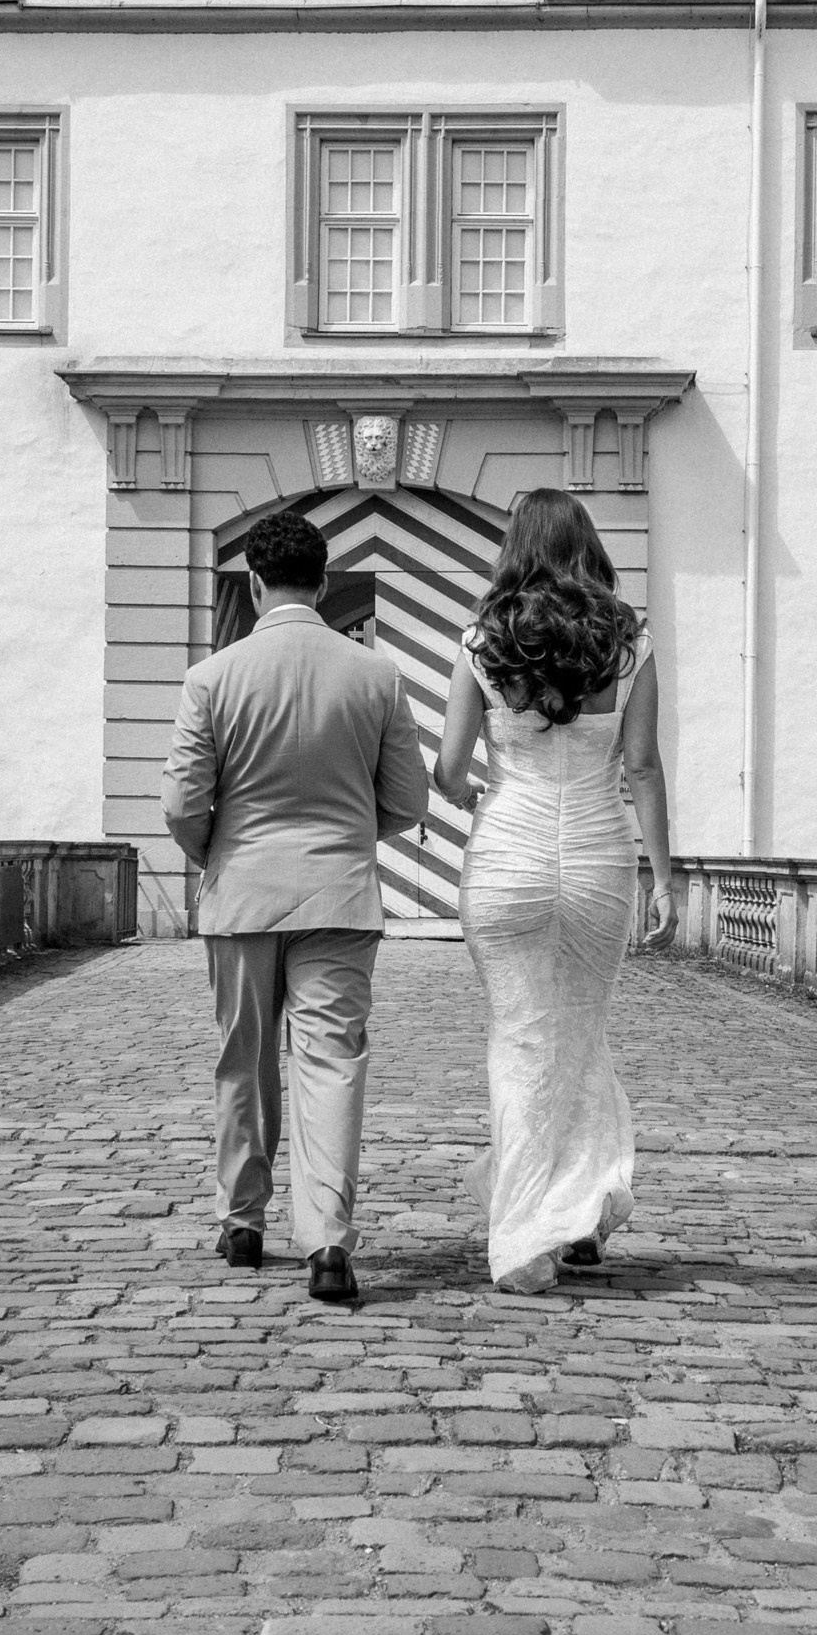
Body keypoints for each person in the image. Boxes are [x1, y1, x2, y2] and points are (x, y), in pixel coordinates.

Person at [161, 504, 429, 1308]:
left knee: (242, 1060)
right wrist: (350, 836)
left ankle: (242, 1221)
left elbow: (181, 803)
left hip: (241, 897)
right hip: (341, 899)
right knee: (331, 1066)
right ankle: (327, 1240)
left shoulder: (211, 678)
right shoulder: (375, 674)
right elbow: (409, 802)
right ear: (324, 581)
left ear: (252, 580)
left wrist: (220, 855)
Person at [432, 488, 675, 1294]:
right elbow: (639, 766)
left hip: (508, 858)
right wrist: (663, 876)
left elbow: (448, 768)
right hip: (599, 862)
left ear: (516, 548)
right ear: (587, 545)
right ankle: (577, 1207)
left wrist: (474, 795)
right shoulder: (630, 644)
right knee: (581, 1037)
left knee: (520, 1040)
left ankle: (530, 1231)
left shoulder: (481, 642)